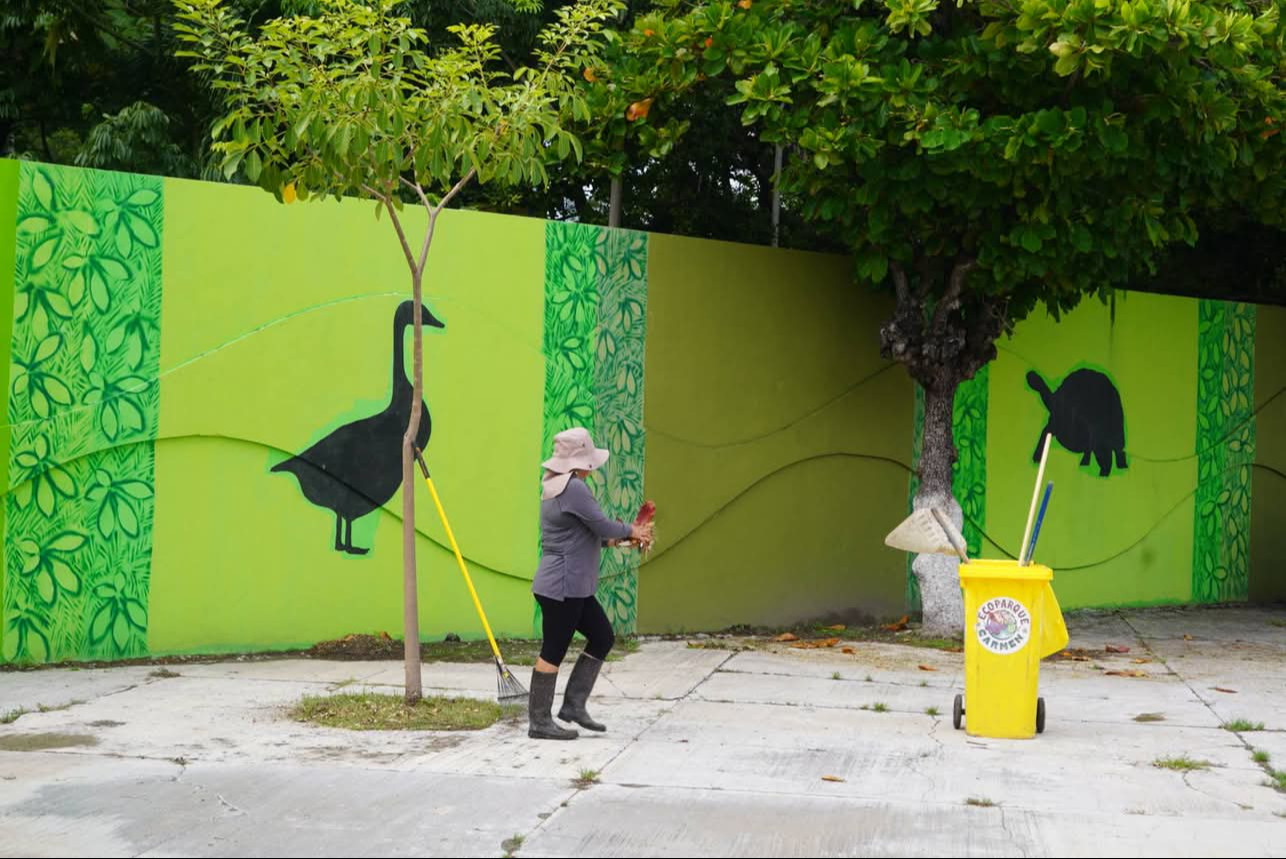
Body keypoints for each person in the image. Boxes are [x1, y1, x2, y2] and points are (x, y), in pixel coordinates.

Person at [528, 427, 654, 741]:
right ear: (579, 462)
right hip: (563, 586)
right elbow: (599, 524)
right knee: (553, 651)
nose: (591, 466)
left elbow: (585, 534)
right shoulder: (573, 488)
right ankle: (539, 722)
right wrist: (633, 531)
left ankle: (573, 706)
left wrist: (621, 539)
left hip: (572, 585)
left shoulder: (558, 485)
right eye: (588, 460)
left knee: (602, 636)